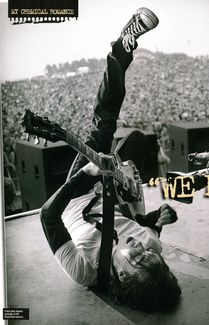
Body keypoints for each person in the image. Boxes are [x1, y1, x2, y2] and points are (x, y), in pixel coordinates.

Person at [40, 8, 181, 312]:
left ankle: (121, 46)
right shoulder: (151, 245)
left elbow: (48, 216)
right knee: (139, 140)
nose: (142, 247)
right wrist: (160, 216)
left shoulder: (84, 271)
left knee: (104, 126)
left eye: (137, 258)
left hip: (78, 196)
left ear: (120, 276)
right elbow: (141, 226)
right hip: (113, 196)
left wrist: (85, 174)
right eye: (150, 254)